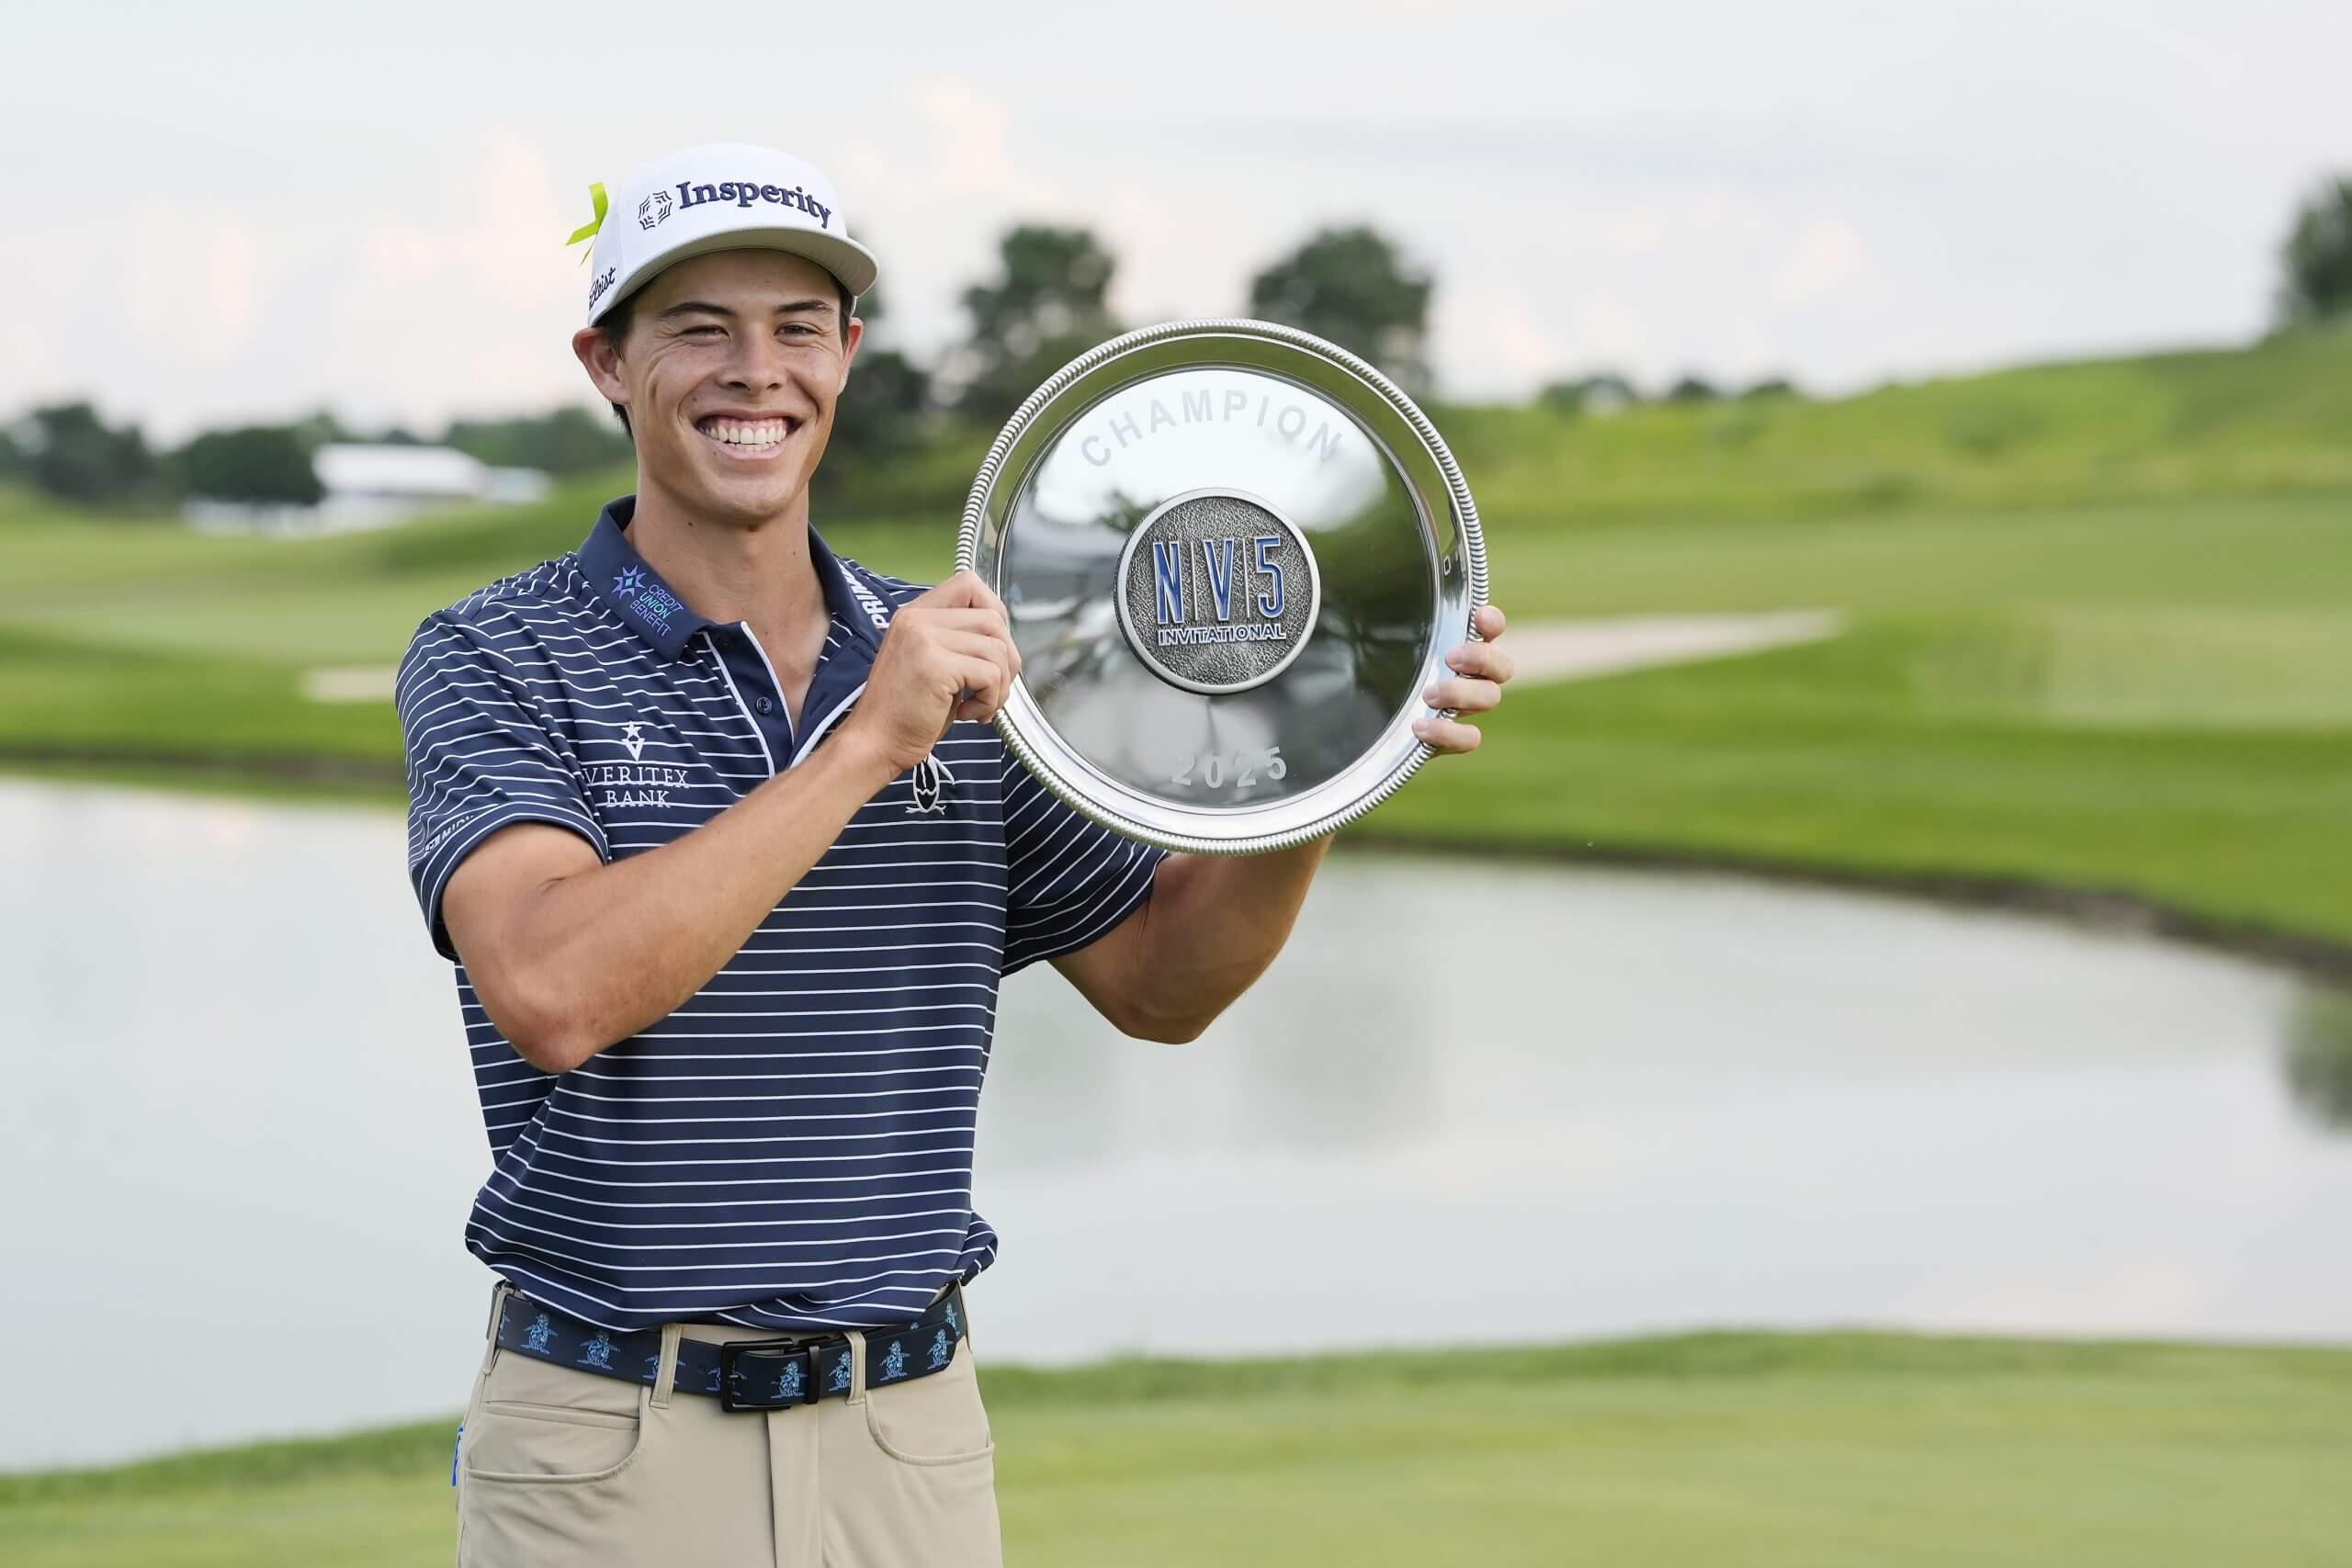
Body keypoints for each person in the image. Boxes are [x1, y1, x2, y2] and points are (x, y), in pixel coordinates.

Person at [396, 141, 1514, 1568]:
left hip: (907, 1437)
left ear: (848, 356)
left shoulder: (962, 660)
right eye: (700, 330)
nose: (757, 372)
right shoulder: (497, 654)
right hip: (612, 1442)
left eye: (799, 328)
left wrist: (1323, 760)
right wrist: (867, 741)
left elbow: (1164, 985)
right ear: (607, 362)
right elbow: (552, 991)